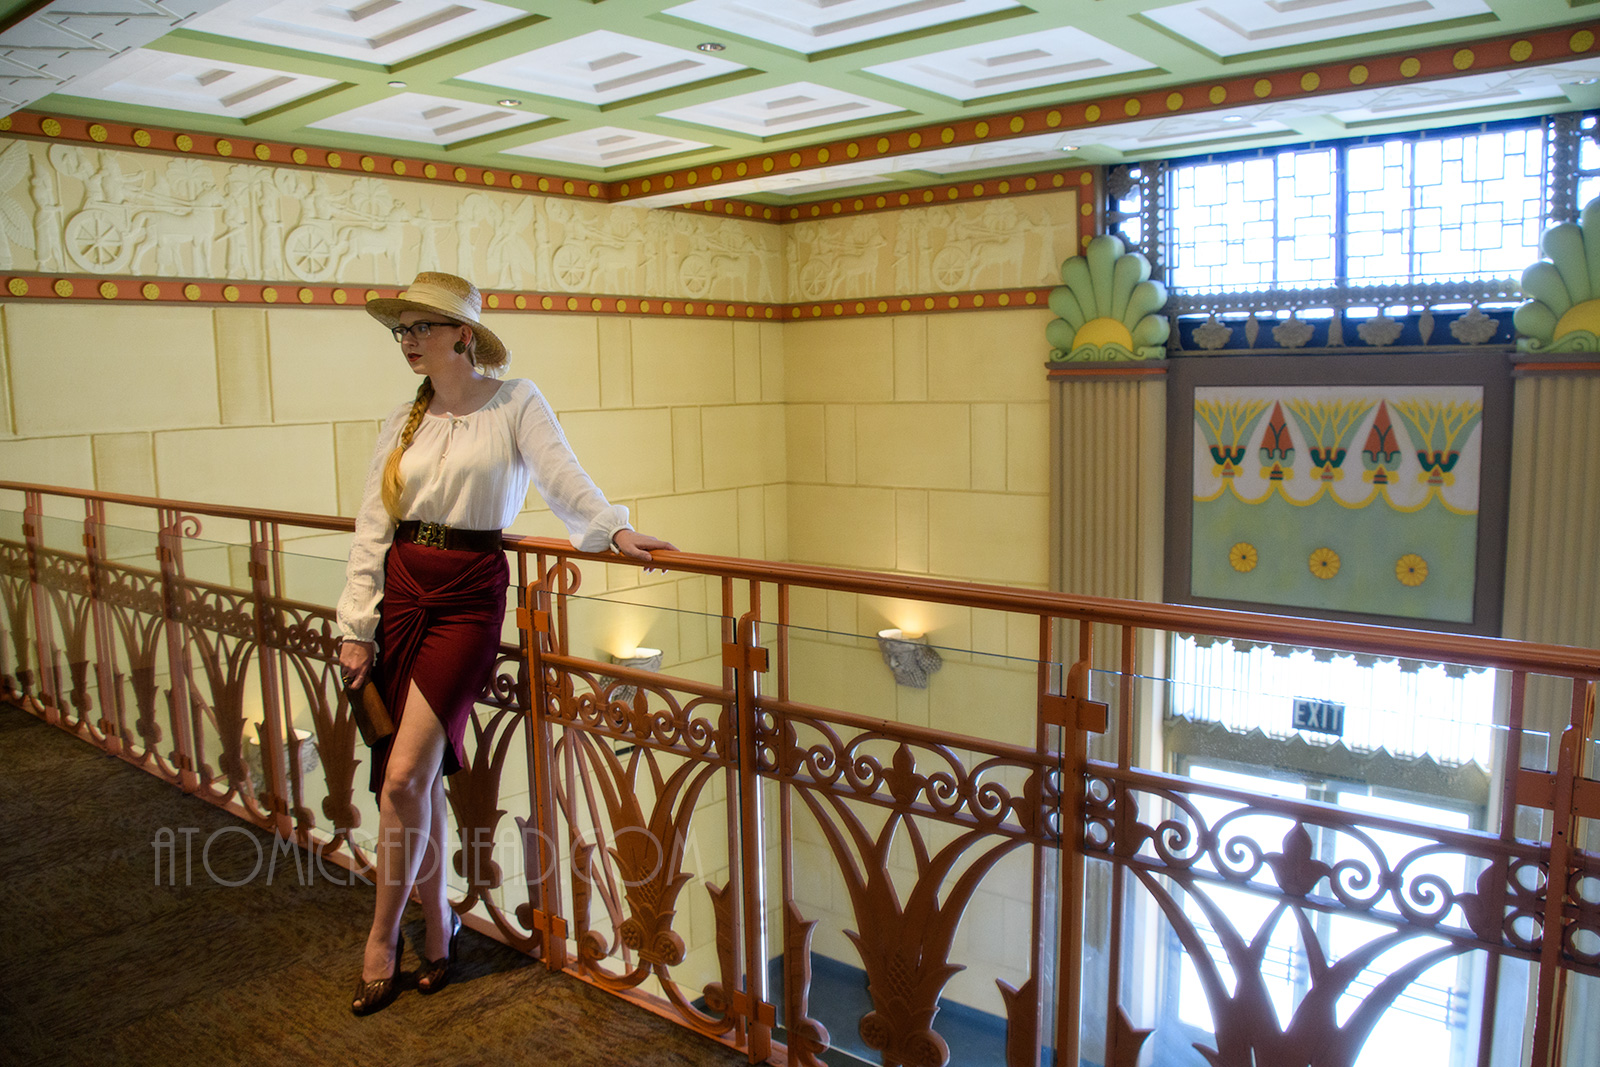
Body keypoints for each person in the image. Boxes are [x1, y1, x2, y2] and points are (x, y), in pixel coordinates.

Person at [336, 272, 673, 1015]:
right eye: (402, 331)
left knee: (400, 779)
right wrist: (357, 625)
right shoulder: (402, 419)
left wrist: (613, 527)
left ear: (462, 334)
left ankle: (383, 934)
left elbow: (562, 479)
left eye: (421, 327)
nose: (409, 341)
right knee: (412, 779)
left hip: (467, 599)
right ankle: (441, 925)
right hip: (402, 593)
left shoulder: (516, 400)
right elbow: (371, 526)